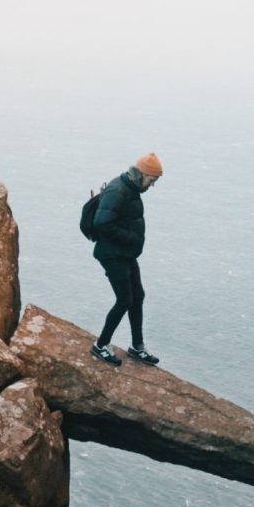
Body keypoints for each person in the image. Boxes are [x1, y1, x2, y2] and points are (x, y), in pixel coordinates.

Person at [89, 153, 162, 367]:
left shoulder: (130, 189)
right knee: (124, 300)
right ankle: (101, 345)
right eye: (152, 180)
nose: (152, 185)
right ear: (141, 175)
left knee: (137, 296)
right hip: (112, 255)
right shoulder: (118, 190)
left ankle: (137, 347)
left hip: (125, 253)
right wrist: (131, 238)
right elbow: (102, 222)